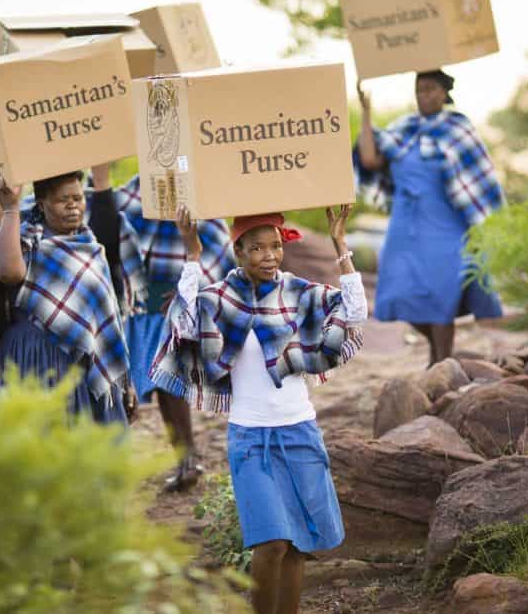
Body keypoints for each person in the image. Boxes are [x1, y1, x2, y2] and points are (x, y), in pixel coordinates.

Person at [150, 205, 366, 614]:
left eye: (275, 246)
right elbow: (182, 320)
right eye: (257, 248)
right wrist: (192, 254)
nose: (269, 256)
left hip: (300, 432)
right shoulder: (218, 299)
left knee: (298, 547)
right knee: (270, 545)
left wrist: (341, 243)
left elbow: (354, 313)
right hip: (250, 438)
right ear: (238, 251)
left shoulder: (298, 294)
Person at [0, 166, 136, 424]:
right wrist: (10, 208)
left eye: (78, 198)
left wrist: (124, 381)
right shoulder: (25, 239)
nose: (73, 206)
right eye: (63, 200)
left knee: (88, 445)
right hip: (34, 358)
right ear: (42, 203)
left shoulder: (91, 248)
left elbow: (107, 322)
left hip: (83, 365)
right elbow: (7, 272)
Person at [354, 70, 505, 366]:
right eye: (419, 89)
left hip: (445, 227)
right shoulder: (403, 129)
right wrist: (366, 112)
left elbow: (476, 179)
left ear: (443, 93)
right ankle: (438, 358)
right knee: (398, 294)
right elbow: (370, 159)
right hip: (404, 227)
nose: (424, 95)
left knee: (441, 296)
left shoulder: (457, 129)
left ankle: (441, 364)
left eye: (430, 89)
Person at [114, 174, 235, 491]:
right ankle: (183, 460)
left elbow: (216, 250)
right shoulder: (135, 191)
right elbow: (116, 229)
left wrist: (196, 289)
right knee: (157, 388)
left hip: (176, 299)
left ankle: (188, 459)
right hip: (140, 303)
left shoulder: (198, 194)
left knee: (168, 383)